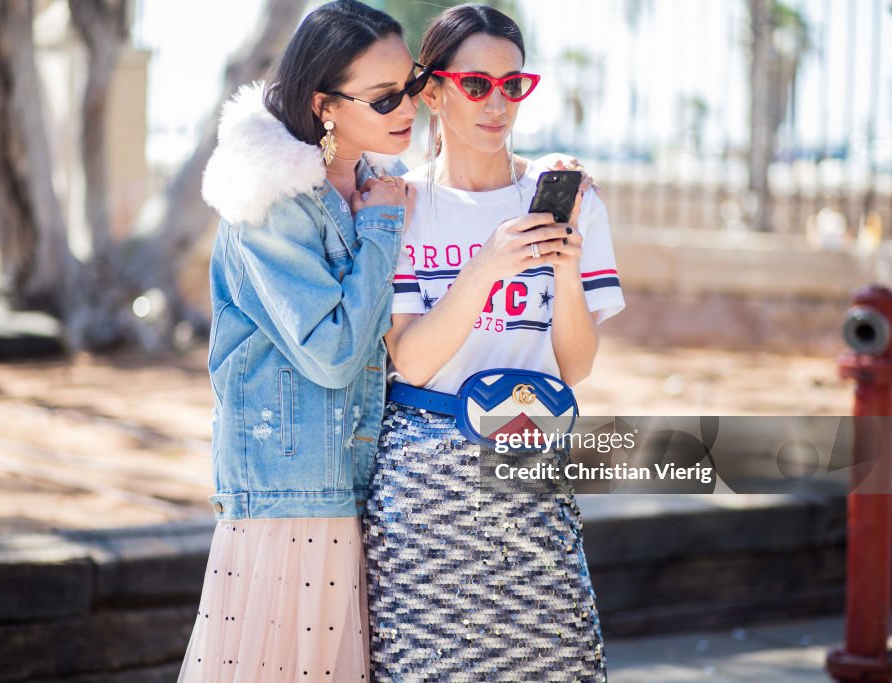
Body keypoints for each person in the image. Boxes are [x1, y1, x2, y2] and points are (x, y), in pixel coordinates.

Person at [362, 5, 625, 682]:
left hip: (529, 457)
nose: (497, 102)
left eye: (514, 85)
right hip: (424, 476)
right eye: (476, 84)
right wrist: (487, 267)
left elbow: (577, 362)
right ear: (435, 91)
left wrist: (562, 265)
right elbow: (411, 358)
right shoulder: (400, 204)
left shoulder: (567, 198)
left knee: (556, 656)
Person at [176, 2, 424, 680]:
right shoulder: (271, 201)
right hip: (286, 498)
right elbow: (335, 351)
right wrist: (379, 231)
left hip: (346, 488)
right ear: (326, 106)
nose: (410, 105)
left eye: (414, 83)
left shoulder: (373, 188)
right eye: (385, 96)